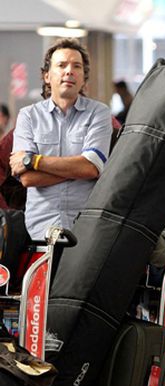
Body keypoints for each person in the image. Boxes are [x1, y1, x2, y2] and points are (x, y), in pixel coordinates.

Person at [10, 38, 112, 241]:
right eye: (61, 65)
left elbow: (91, 168)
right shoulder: (28, 116)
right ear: (46, 76)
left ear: (84, 78)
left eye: (77, 66)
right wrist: (79, 168)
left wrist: (34, 161)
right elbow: (28, 179)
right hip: (40, 229)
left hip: (86, 227)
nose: (69, 71)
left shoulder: (98, 113)